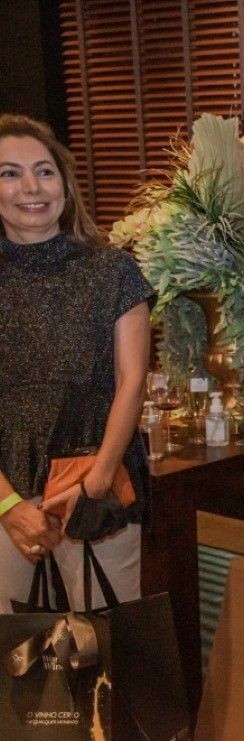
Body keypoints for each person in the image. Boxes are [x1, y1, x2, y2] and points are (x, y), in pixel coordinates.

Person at [0, 114, 153, 612]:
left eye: (44, 171)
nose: (31, 187)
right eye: (9, 173)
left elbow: (132, 382)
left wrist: (95, 484)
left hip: (96, 479)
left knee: (108, 639)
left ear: (64, 184)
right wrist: (9, 506)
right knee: (16, 649)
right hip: (6, 489)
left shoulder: (112, 269)